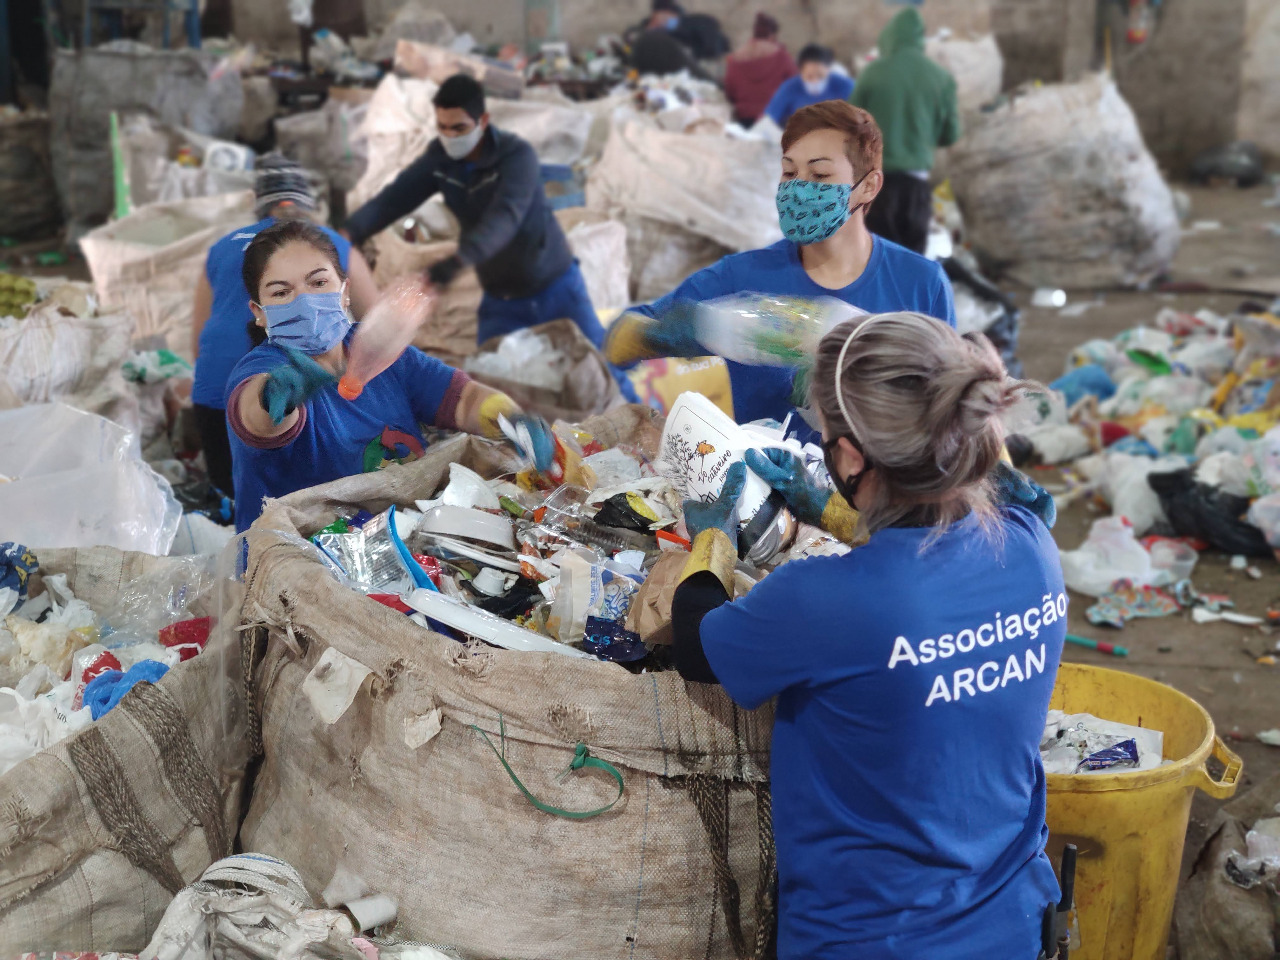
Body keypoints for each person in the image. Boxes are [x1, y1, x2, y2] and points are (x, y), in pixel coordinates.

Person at [671, 311, 1065, 960]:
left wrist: (709, 532)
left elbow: (697, 639)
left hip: (870, 941)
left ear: (852, 457)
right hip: (1016, 927)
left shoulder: (826, 599)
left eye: (827, 442)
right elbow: (923, 559)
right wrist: (827, 507)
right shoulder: (1032, 547)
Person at [604, 100, 955, 432]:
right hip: (766, 486)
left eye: (819, 176)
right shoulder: (742, 277)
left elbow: (949, 407)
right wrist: (662, 333)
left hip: (882, 487)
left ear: (868, 187)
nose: (799, 189)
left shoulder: (921, 284)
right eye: (789, 173)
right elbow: (618, 339)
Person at [224, 219, 554, 533]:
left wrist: (508, 417)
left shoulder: (378, 351)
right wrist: (277, 395)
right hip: (301, 564)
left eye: (318, 282)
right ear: (259, 314)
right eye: (282, 293)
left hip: (405, 539)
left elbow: (462, 399)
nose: (305, 302)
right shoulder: (259, 370)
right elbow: (255, 418)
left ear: (345, 292)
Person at [190, 156, 379, 496]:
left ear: (259, 203)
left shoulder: (221, 247)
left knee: (232, 502)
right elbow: (378, 327)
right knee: (312, 504)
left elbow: (199, 340)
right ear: (306, 204)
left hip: (214, 391)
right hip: (294, 398)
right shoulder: (327, 243)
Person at [851, 7, 960, 254]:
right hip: (916, 184)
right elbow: (950, 134)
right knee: (911, 261)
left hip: (875, 183)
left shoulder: (872, 73)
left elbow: (850, 124)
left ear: (889, 37)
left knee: (875, 258)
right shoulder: (941, 78)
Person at [723, 13, 795, 127]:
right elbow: (794, 85)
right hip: (776, 117)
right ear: (772, 35)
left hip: (745, 119)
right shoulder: (782, 57)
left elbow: (729, 91)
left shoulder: (734, 58)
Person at [763, 44, 854, 129]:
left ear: (828, 69)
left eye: (820, 75)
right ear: (801, 72)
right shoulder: (789, 88)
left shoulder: (845, 85)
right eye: (810, 76)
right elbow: (769, 121)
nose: (815, 81)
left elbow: (863, 112)